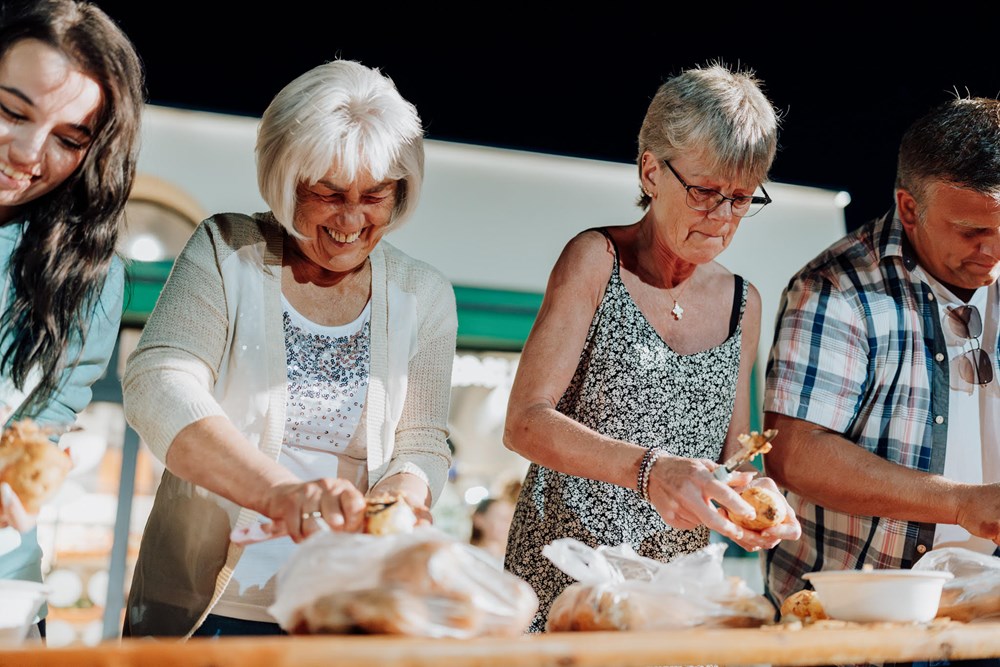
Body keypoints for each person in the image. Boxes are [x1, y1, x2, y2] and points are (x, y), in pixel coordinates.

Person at [120, 59, 457, 639]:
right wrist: (282, 494)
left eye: (375, 195)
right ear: (283, 180)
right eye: (326, 193)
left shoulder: (422, 294)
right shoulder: (226, 250)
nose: (351, 220)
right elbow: (159, 383)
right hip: (206, 607)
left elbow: (423, 440)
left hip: (343, 610)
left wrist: (405, 489)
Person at [502, 62, 802, 632]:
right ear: (649, 171)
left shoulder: (745, 302)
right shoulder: (596, 259)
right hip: (564, 586)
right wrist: (651, 471)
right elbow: (524, 422)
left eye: (741, 199)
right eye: (704, 192)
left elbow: (740, 453)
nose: (722, 218)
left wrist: (756, 497)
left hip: (671, 598)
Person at [762, 95, 1000, 649]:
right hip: (857, 628)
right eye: (970, 232)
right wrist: (962, 502)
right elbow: (794, 452)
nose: (993, 250)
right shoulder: (835, 289)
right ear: (909, 208)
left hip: (984, 618)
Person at [0, 0, 143, 640]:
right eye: (10, 110)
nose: (29, 153)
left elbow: (38, 440)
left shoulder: (86, 277)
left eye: (68, 138)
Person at [470, 495, 515, 566]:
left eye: (510, 519)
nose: (508, 524)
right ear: (478, 519)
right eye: (502, 518)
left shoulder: (512, 563)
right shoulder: (466, 555)